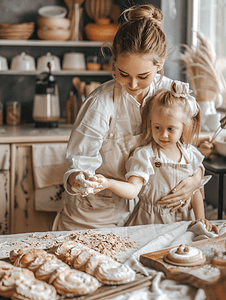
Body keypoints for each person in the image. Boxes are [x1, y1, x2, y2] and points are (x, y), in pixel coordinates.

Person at [52, 4, 210, 231]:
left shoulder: (174, 96)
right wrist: (80, 179)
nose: (133, 85)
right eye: (123, 74)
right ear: (114, 62)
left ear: (160, 64)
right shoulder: (100, 102)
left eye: (143, 76)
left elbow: (186, 150)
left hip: (142, 214)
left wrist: (195, 180)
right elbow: (78, 164)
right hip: (92, 214)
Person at [87, 81, 215, 231]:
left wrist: (201, 220)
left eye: (171, 129)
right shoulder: (145, 155)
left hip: (183, 223)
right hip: (149, 223)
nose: (163, 134)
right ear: (150, 124)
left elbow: (195, 192)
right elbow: (133, 190)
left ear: (184, 128)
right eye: (157, 127)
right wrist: (109, 183)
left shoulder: (190, 154)